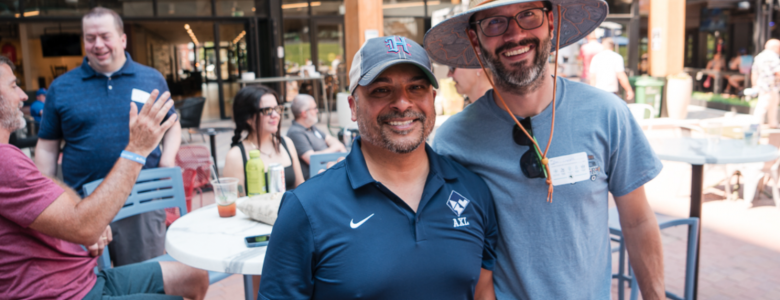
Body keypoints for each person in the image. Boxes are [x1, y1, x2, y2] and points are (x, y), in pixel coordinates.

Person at [424, 1, 665, 299]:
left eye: (528, 15)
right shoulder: (454, 140)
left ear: (551, 21)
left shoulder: (607, 113)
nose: (514, 34)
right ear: (475, 38)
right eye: (494, 23)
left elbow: (638, 220)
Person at [257, 36, 498, 300]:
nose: (403, 103)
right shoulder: (306, 208)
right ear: (353, 106)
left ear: (433, 98)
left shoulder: (474, 191)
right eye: (381, 90)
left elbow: (483, 292)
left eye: (416, 87)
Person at [0, 54, 209, 299]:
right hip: (66, 293)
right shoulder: (4, 161)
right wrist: (137, 148)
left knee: (194, 276)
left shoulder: (10, 155)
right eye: (14, 86)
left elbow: (48, 189)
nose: (24, 95)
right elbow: (85, 228)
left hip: (85, 279)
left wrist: (83, 217)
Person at [34, 7, 181, 267]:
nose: (98, 44)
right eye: (90, 38)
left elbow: (172, 125)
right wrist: (45, 198)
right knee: (87, 283)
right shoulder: (62, 87)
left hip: (142, 198)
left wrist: (167, 159)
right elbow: (47, 148)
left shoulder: (151, 78)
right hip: (81, 206)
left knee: (145, 282)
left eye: (105, 36)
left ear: (122, 39)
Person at [224, 85, 304, 195]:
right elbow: (237, 203)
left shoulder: (287, 143)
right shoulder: (236, 156)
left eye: (277, 109)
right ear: (248, 117)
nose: (275, 115)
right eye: (267, 110)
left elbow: (301, 189)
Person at [286, 93, 347, 179]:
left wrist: (336, 146)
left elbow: (330, 139)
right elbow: (312, 159)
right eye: (314, 108)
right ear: (304, 113)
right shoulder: (295, 132)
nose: (317, 111)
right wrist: (335, 148)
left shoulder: (311, 127)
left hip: (330, 170)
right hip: (318, 176)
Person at [751, 39, 780, 128]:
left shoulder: (759, 56)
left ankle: (773, 124)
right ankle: (755, 127)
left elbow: (754, 73)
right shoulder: (774, 57)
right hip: (771, 86)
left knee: (772, 106)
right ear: (775, 47)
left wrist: (754, 85)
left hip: (762, 86)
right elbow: (778, 71)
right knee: (762, 107)